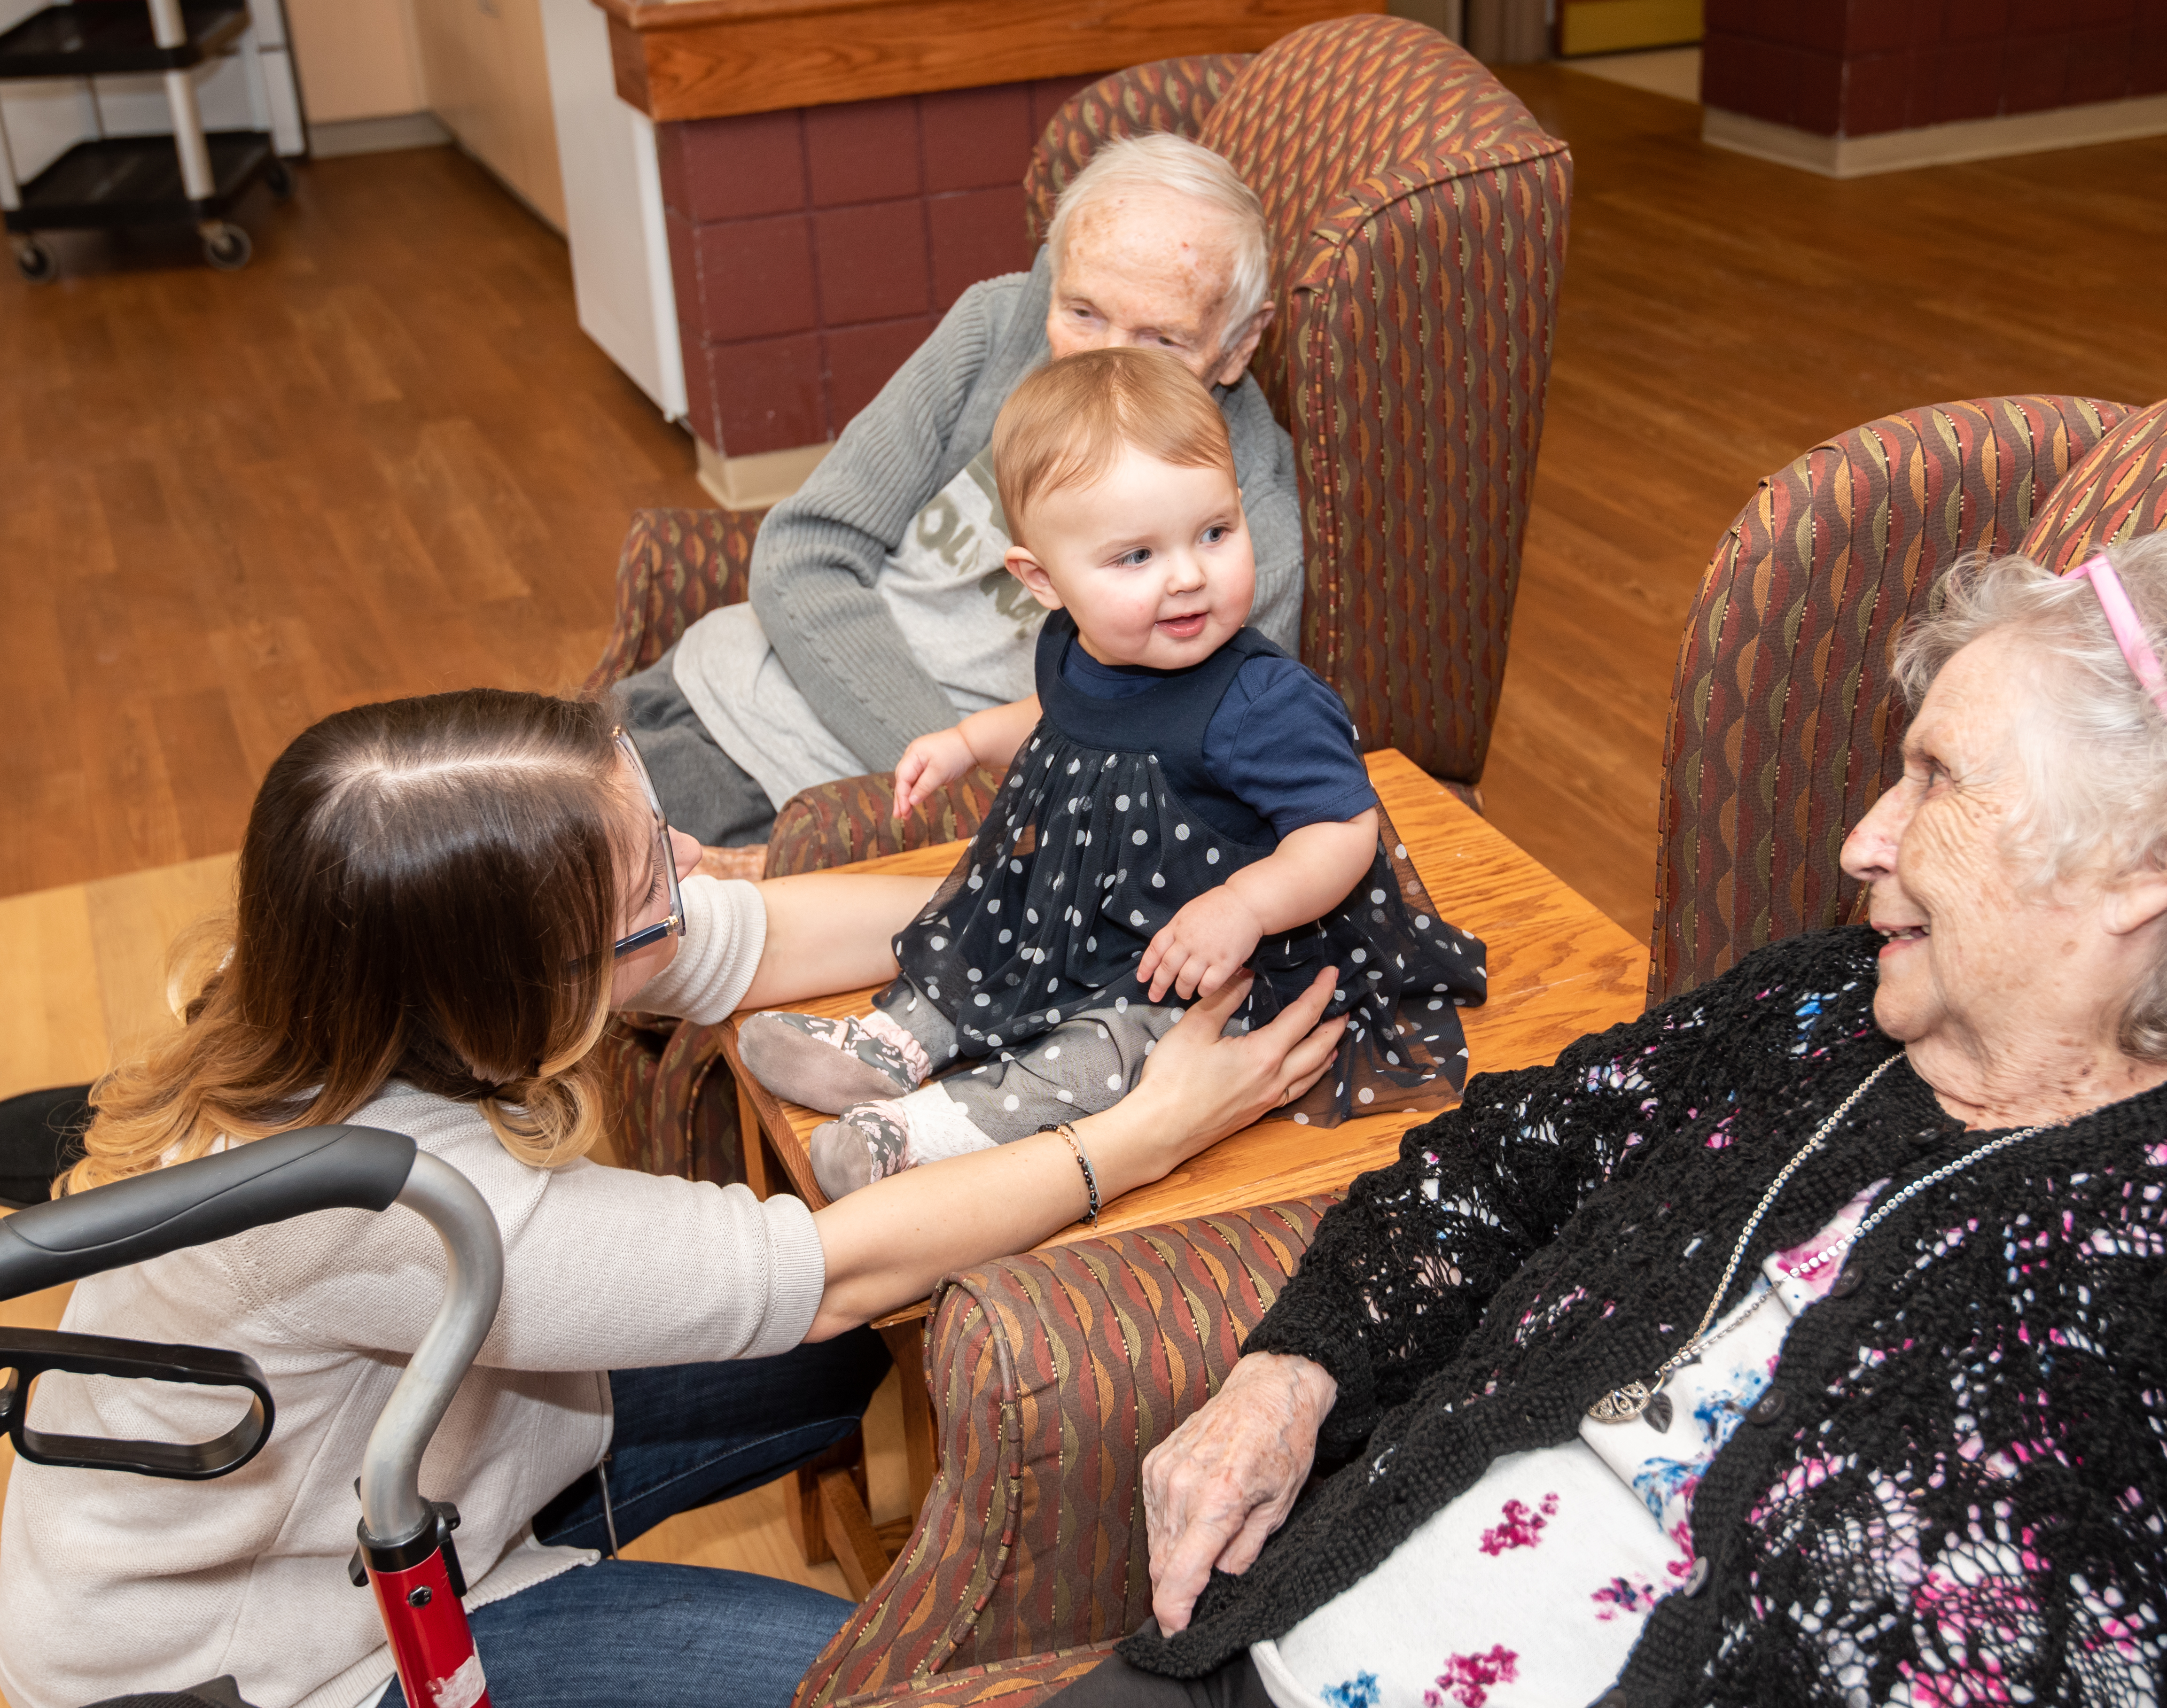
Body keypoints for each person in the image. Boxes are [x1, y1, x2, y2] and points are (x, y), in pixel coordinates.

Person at [1076, 517, 2167, 1707]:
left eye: (1936, 777)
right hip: (1247, 1663)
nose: (1861, 841)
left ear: (2155, 857)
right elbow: (1499, 1164)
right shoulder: (1831, 998)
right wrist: (1295, 1376)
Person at [0, 689, 1346, 1708]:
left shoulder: (351, 971)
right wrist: (1145, 1128)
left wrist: (1045, 915)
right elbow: (828, 1269)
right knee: (857, 1672)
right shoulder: (389, 1204)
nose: (687, 882)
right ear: (509, 984)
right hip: (274, 1648)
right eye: (646, 891)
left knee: (830, 1376)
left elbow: (747, 937)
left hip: (404, 1466)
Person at [734, 348, 1486, 1199]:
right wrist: (971, 741)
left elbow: (1343, 828)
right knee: (979, 940)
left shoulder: (1263, 701)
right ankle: (891, 1047)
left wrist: (1243, 908)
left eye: (1215, 532)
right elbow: (1071, 716)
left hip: (1211, 955)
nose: (1188, 575)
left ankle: (936, 1129)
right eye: (1136, 557)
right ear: (1042, 582)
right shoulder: (1077, 644)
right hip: (1084, 906)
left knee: (1121, 1044)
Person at [618, 132, 1302, 848]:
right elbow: (804, 549)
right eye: (1083, 313)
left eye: (1161, 340)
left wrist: (959, 792)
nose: (1104, 369)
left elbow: (1181, 767)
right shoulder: (998, 326)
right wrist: (937, 746)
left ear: (1239, 344)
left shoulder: (1246, 536)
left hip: (864, 817)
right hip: (714, 689)